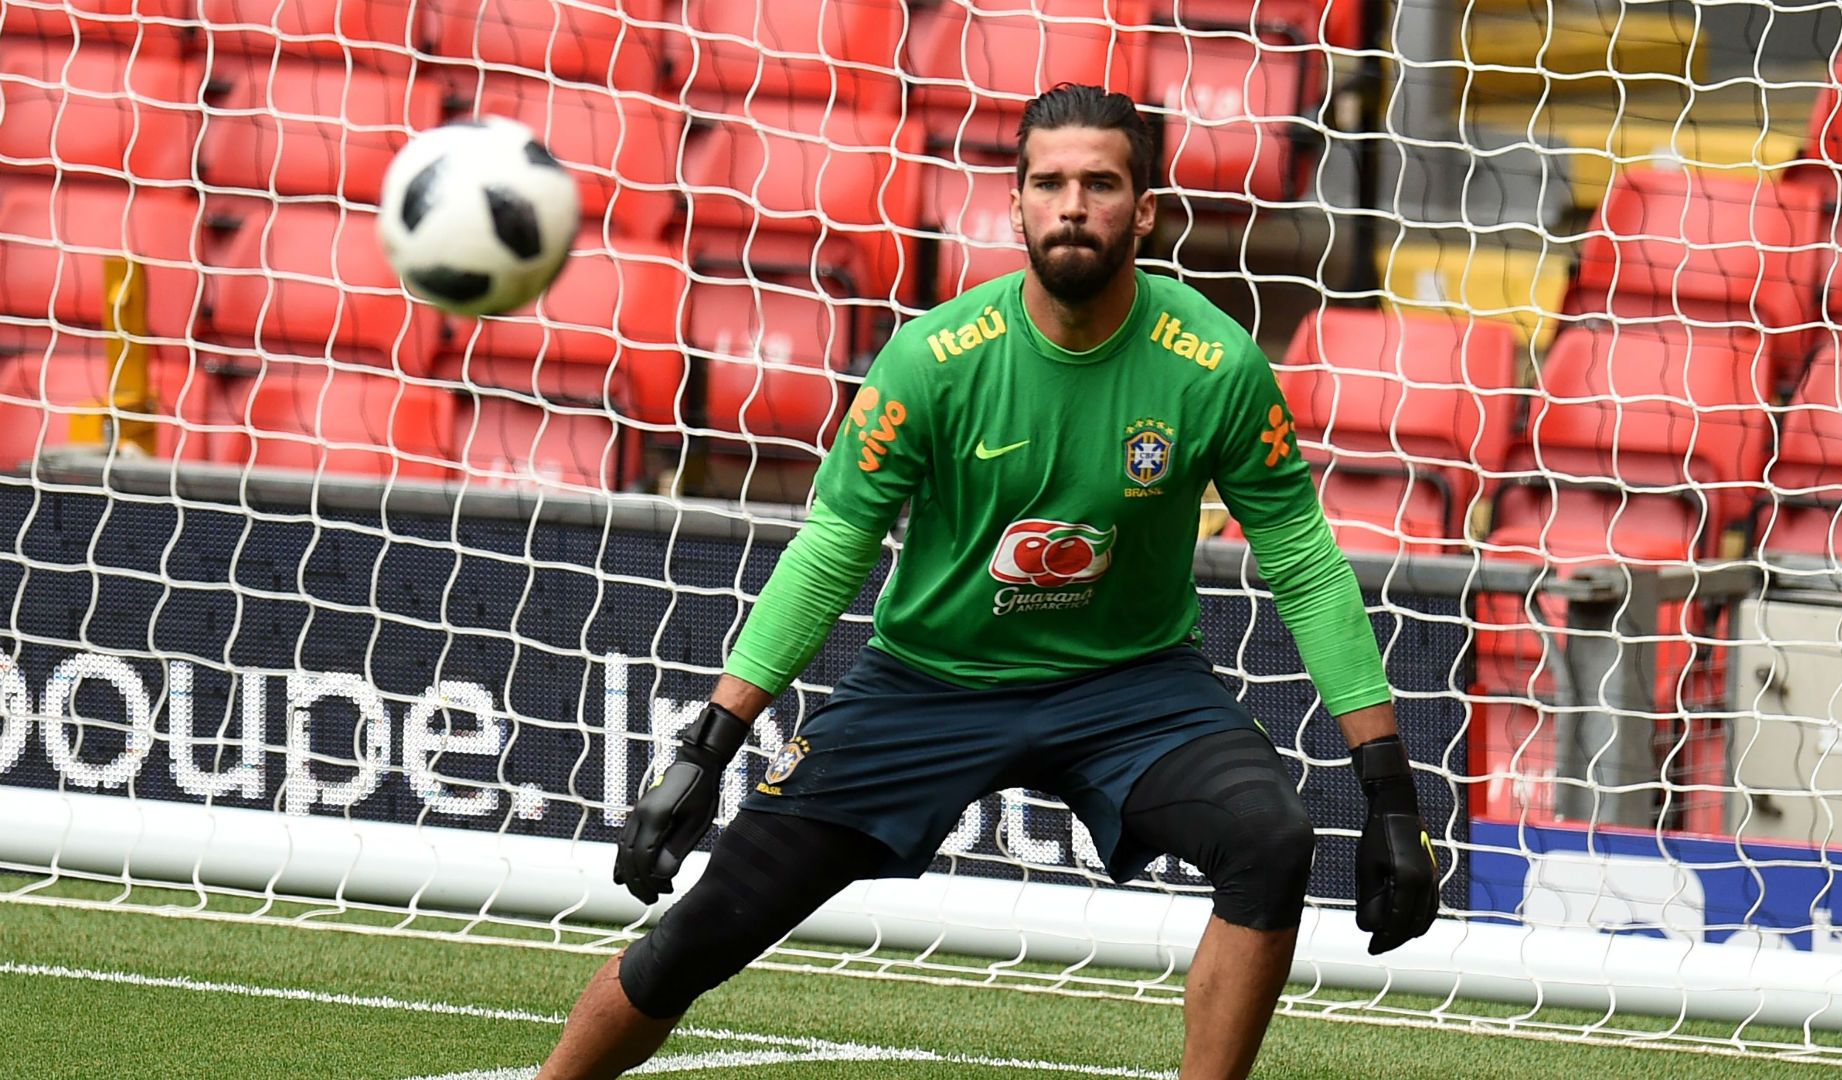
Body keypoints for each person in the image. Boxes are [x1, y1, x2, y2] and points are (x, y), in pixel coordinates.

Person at [536, 83, 1440, 1080]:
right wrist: (708, 745)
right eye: (1048, 183)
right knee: (700, 935)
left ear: (1143, 211)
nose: (1072, 204)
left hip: (1132, 690)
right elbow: (834, 546)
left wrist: (1390, 795)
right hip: (930, 682)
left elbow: (1306, 568)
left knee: (1271, 840)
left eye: (1100, 183)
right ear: (1014, 205)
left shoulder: (1216, 366)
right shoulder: (933, 360)